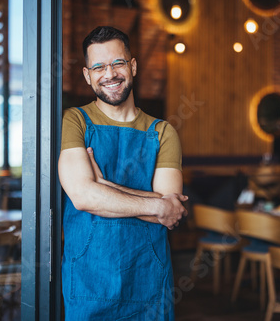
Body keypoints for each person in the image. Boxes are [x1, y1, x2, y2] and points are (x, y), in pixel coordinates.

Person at [58, 26, 187, 320]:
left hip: (148, 278)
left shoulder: (163, 132)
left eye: (118, 63)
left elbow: (172, 212)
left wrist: (103, 186)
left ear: (133, 66)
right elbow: (82, 196)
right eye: (99, 66)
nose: (110, 74)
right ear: (87, 75)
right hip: (89, 276)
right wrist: (156, 204)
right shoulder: (74, 120)